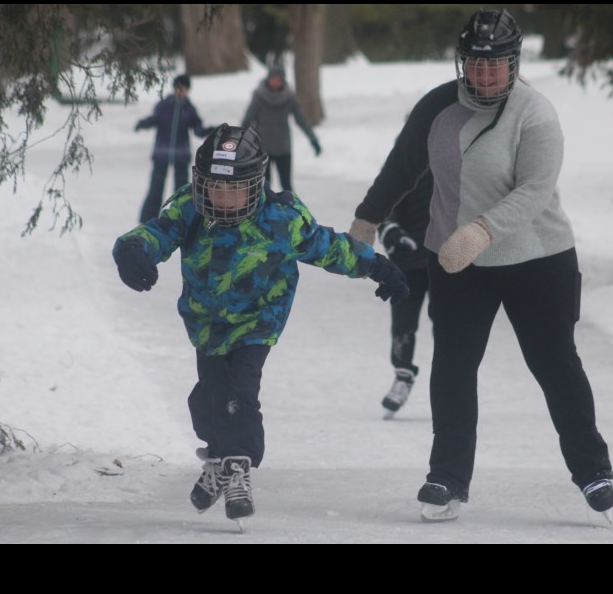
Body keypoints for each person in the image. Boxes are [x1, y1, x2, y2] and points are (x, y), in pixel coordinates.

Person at [349, 9, 613, 523]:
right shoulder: (437, 107)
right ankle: (446, 478)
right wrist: (366, 220)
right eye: (476, 63)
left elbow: (534, 191)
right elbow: (402, 166)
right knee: (452, 367)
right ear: (462, 62)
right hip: (456, 263)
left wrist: (481, 231)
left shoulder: (535, 114)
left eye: (496, 65)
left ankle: (593, 471)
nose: (485, 74)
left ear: (513, 64)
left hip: (538, 259)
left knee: (555, 365)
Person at [112, 124, 408, 524]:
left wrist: (377, 266)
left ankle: (238, 468)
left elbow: (328, 246)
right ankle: (218, 459)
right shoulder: (188, 209)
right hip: (207, 324)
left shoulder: (281, 217)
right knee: (208, 398)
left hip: (258, 321)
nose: (224, 198)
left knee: (241, 392)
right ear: (200, 184)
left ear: (256, 185)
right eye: (215, 188)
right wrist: (132, 249)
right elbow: (156, 232)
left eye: (235, 190)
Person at [377, 170, 434, 418]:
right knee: (403, 325)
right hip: (408, 259)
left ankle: (450, 387)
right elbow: (385, 199)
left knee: (449, 327)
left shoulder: (462, 154)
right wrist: (390, 231)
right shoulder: (411, 156)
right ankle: (402, 375)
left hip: (450, 260)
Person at [134, 74, 213, 222]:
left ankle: (181, 217)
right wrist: (143, 123)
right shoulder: (163, 105)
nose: (180, 91)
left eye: (184, 89)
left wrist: (210, 131)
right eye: (178, 88)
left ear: (188, 90)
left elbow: (198, 129)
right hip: (161, 153)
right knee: (156, 187)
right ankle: (148, 218)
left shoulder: (189, 109)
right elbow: (154, 119)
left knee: (181, 189)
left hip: (181, 155)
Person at [240, 67, 321, 193]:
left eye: (278, 79)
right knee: (263, 185)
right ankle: (263, 211)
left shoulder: (289, 97)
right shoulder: (259, 96)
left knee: (286, 185)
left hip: (283, 147)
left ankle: (291, 211)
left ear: (283, 80)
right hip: (262, 148)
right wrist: (241, 143)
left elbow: (301, 120)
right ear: (268, 79)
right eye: (273, 79)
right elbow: (247, 120)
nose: (275, 82)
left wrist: (313, 139)